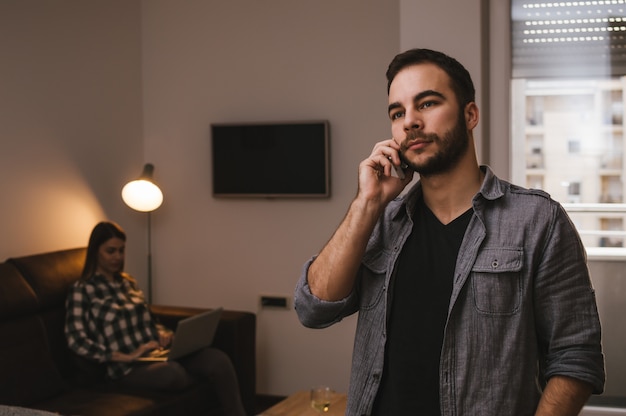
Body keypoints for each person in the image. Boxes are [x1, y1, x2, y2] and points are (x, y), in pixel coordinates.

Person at [294, 48, 605, 416]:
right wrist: (367, 203)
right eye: (398, 113)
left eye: (426, 104)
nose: (409, 121)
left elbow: (576, 356)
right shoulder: (380, 220)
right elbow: (313, 308)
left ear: (470, 114)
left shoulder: (538, 220)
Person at [65, 221, 246, 416]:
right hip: (126, 367)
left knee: (217, 359)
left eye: (121, 250)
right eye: (111, 251)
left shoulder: (127, 283)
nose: (118, 257)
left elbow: (150, 321)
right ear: (95, 252)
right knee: (173, 373)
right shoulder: (82, 290)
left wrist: (164, 334)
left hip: (155, 354)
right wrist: (125, 356)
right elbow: (76, 340)